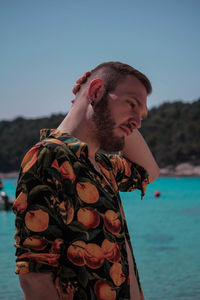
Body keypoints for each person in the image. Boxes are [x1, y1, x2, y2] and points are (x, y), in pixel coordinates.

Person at [13, 61, 160, 300]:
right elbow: (34, 276)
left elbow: (149, 171)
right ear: (96, 92)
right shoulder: (50, 157)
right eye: (131, 104)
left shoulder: (101, 165)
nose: (138, 122)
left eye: (142, 115)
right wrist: (87, 99)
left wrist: (126, 120)